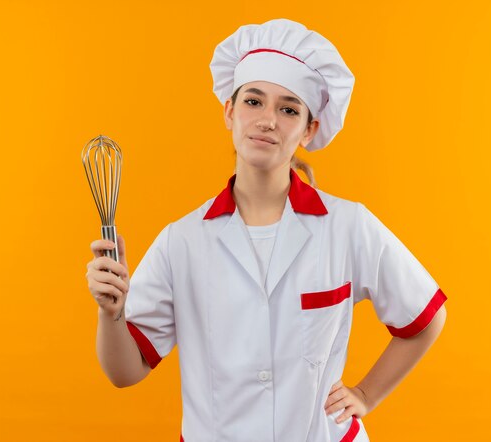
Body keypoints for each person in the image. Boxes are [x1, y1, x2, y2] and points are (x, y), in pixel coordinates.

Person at [85, 18, 447, 442]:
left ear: (309, 129)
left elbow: (426, 317)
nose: (268, 120)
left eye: (289, 109)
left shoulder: (349, 226)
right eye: (253, 102)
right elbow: (125, 372)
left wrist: (366, 394)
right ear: (229, 110)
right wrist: (112, 314)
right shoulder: (181, 242)